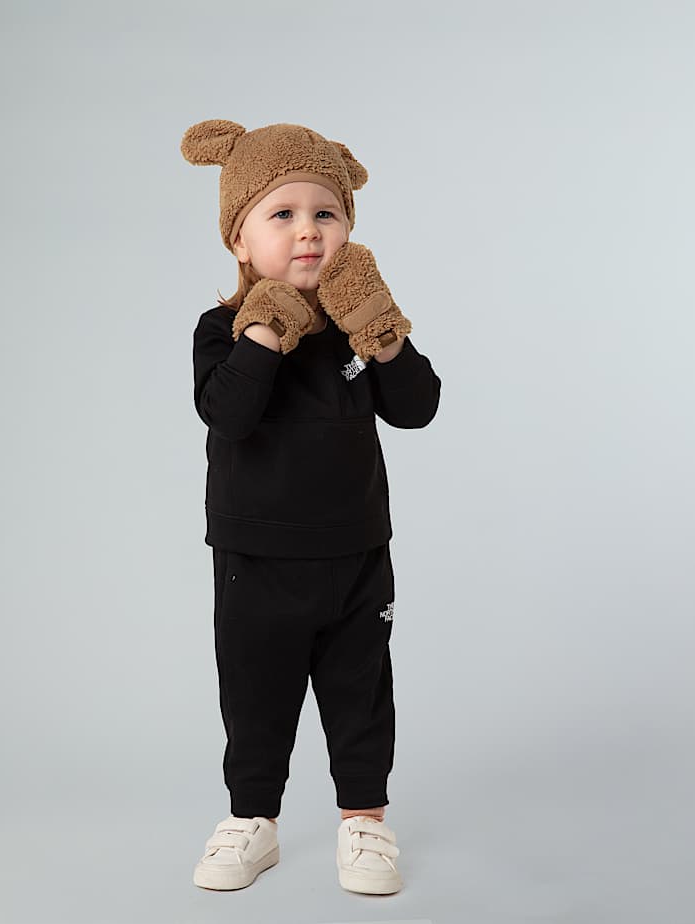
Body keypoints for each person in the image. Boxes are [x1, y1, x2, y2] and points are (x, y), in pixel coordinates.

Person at [180, 120, 441, 895]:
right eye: (283, 214)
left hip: (355, 553)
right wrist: (265, 327)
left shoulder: (356, 332)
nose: (308, 231)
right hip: (255, 559)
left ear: (348, 230)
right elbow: (227, 414)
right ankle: (251, 819)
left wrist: (379, 329)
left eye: (326, 213)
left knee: (360, 693)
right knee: (254, 692)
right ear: (240, 239)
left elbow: (418, 407)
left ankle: (365, 820)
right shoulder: (221, 331)